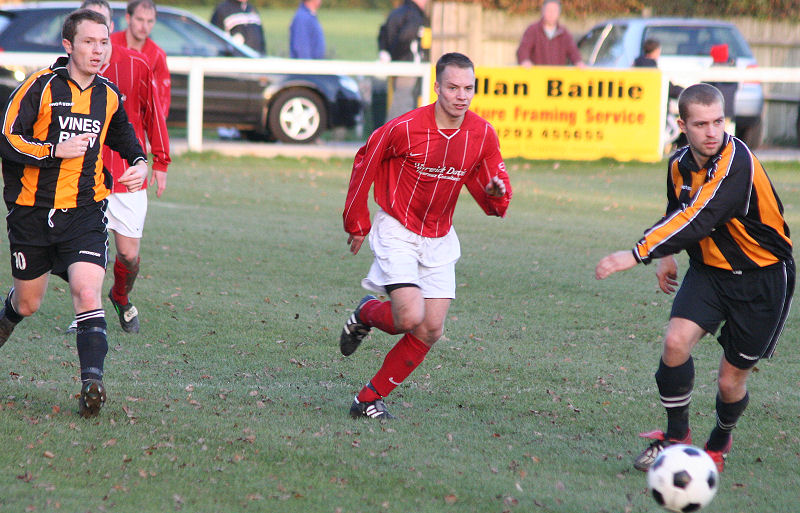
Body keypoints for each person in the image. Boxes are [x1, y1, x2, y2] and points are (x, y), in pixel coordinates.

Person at [595, 83, 794, 473]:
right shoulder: (679, 163)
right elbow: (678, 210)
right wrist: (665, 254)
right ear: (682, 125)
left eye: (718, 121)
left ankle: (719, 442)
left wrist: (635, 254)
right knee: (674, 343)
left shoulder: (737, 163)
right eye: (701, 123)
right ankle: (675, 440)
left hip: (762, 279)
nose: (712, 131)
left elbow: (699, 216)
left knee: (729, 382)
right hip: (709, 273)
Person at [341, 52, 512, 420]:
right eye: (452, 87)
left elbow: (492, 196)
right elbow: (364, 161)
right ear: (437, 88)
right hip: (398, 229)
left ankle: (367, 399)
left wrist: (497, 195)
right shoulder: (404, 128)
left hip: (439, 236)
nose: (461, 96)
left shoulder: (481, 134)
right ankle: (366, 313)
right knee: (408, 317)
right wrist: (357, 222)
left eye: (468, 88)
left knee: (431, 328)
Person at [0, 9, 148, 417]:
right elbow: (7, 140)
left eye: (104, 42)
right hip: (31, 214)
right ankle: (7, 315)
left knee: (87, 291)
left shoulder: (109, 95)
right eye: (89, 42)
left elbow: (126, 139)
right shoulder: (38, 87)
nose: (98, 50)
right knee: (28, 303)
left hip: (84, 211)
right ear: (68, 46)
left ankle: (92, 385)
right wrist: (52, 151)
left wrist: (140, 162)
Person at [73, 0, 170, 334]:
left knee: (128, 256)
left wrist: (160, 162)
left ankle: (120, 296)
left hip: (127, 177)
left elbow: (154, 114)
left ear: (112, 28)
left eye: (101, 27)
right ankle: (86, 312)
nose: (96, 40)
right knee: (86, 251)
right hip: (82, 176)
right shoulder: (63, 74)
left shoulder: (138, 64)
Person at [111, 0, 170, 117]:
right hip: (107, 116)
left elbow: (162, 99)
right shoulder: (110, 44)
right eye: (139, 19)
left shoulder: (157, 54)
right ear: (128, 18)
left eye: (150, 21)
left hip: (138, 123)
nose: (144, 26)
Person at [377, 0, 431, 120]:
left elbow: (382, 33)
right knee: (403, 103)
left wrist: (387, 54)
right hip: (409, 65)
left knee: (400, 100)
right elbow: (406, 37)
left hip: (398, 64)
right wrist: (399, 57)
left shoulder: (397, 12)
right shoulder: (414, 14)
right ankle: (393, 136)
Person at [516, 0, 584, 67]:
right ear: (543, 11)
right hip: (538, 76)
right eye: (549, 10)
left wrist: (579, 62)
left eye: (554, 11)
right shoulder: (533, 30)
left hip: (558, 76)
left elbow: (573, 52)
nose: (551, 14)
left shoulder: (564, 33)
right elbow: (523, 50)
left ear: (559, 13)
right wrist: (524, 61)